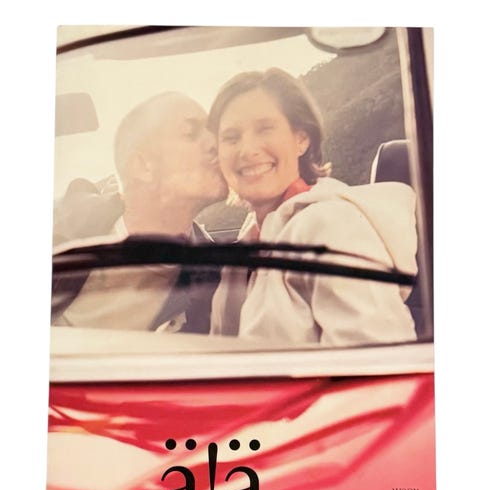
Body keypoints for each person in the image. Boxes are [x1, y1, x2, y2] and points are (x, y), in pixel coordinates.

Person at [207, 68, 417, 346]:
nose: (247, 149)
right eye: (231, 137)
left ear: (301, 139)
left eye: (265, 129)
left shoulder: (332, 227)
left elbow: (381, 361)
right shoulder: (252, 240)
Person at [53, 92, 229, 333]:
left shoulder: (219, 277)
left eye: (214, 133)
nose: (216, 144)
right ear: (143, 166)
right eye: (190, 133)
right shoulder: (59, 232)